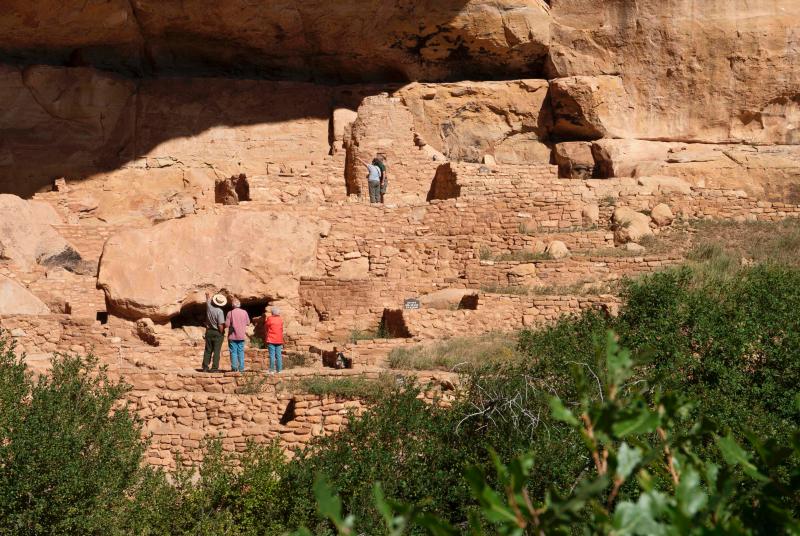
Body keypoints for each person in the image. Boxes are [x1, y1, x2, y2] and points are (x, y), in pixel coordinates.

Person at [202, 292, 227, 372]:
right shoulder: (220, 311)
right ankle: (214, 368)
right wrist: (221, 332)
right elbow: (220, 325)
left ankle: (205, 367)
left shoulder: (209, 307)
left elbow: (208, 300)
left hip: (209, 331)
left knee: (208, 350)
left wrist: (207, 295)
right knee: (216, 351)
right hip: (217, 332)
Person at [225, 297, 250, 372]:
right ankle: (241, 368)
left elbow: (227, 325)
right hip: (241, 335)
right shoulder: (244, 312)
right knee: (241, 351)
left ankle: (234, 368)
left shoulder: (230, 313)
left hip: (232, 336)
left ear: (233, 305)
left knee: (233, 352)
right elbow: (248, 322)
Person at [265, 306, 284, 373]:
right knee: (279, 355)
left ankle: (272, 370)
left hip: (271, 339)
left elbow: (266, 327)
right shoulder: (280, 319)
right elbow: (281, 329)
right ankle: (279, 370)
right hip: (279, 339)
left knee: (272, 355)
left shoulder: (269, 318)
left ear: (272, 313)